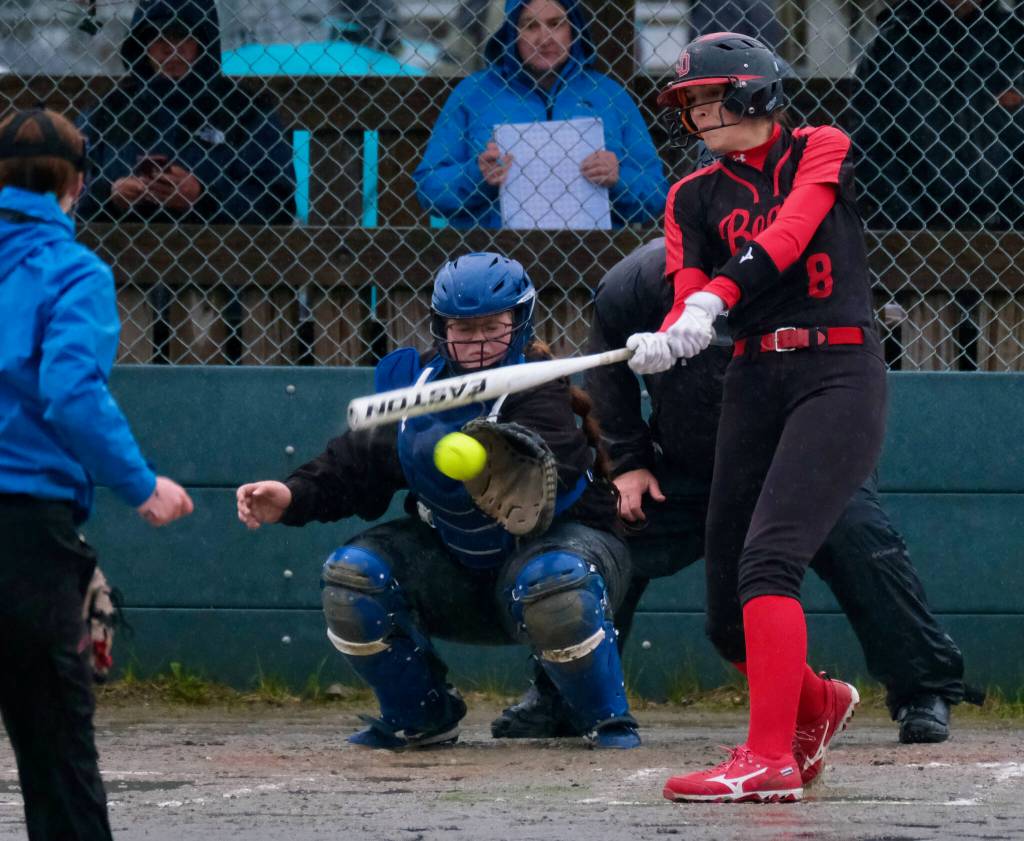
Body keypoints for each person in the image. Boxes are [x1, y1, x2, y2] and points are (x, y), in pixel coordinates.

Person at [492, 237, 971, 749]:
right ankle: (564, 693)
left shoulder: (813, 276)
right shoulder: (635, 283)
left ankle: (923, 688)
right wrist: (628, 462)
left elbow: (848, 373)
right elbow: (607, 374)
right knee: (608, 532)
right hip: (689, 465)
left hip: (803, 459)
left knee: (860, 536)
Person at [623, 31, 888, 803]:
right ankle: (819, 703)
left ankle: (768, 758)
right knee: (724, 615)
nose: (698, 114)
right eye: (691, 104)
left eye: (708, 98)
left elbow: (792, 231)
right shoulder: (692, 196)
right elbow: (687, 292)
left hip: (836, 370)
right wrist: (671, 335)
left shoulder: (819, 145)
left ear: (753, 92)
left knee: (770, 561)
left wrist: (714, 300)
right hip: (755, 377)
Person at [236, 252, 640, 749]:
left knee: (554, 585)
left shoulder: (539, 384)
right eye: (462, 329)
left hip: (557, 551)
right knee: (353, 577)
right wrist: (292, 494)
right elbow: (354, 463)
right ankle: (420, 715)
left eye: (492, 327)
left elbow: (552, 460)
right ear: (439, 327)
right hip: (457, 564)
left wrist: (473, 447)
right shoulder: (421, 385)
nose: (476, 343)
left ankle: (603, 720)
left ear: (519, 323)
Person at [0, 107, 194, 841]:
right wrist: (142, 484)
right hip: (23, 523)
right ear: (78, 186)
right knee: (55, 750)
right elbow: (71, 390)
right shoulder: (73, 269)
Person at [413, 0, 667, 228]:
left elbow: (657, 194)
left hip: (594, 259)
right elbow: (429, 190)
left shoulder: (609, 95)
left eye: (556, 23)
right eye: (530, 25)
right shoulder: (474, 94)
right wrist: (476, 175)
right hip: (494, 259)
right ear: (511, 32)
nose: (544, 38)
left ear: (574, 28)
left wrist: (619, 179)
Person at [76, 0, 295, 224]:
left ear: (203, 41)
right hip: (119, 252)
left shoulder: (244, 111)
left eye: (183, 35)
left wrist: (204, 198)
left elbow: (279, 202)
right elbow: (63, 191)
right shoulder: (108, 111)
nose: (171, 48)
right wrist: (109, 196)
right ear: (141, 43)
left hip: (220, 253)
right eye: (158, 36)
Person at [851, 0, 1024, 230]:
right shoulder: (894, 43)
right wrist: (911, 223)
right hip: (917, 229)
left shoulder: (1015, 39)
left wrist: (1012, 220)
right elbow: (870, 145)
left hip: (1011, 228)